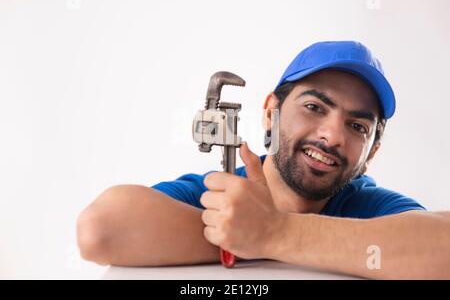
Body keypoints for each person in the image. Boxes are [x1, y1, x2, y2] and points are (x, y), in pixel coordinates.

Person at [77, 41, 450, 279]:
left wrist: (273, 233)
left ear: (371, 154)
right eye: (314, 107)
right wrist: (241, 230)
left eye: (356, 126)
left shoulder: (368, 205)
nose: (333, 135)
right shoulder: (218, 194)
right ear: (271, 113)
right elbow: (100, 230)